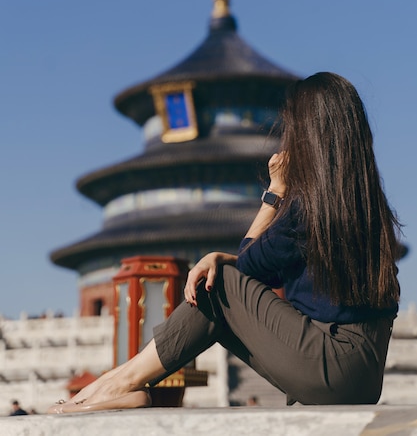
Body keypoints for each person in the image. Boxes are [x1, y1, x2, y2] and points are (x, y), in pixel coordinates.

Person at [47, 72, 401, 413]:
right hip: (363, 376)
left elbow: (246, 269)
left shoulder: (306, 212)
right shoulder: (367, 210)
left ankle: (118, 383)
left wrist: (275, 193)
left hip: (330, 365)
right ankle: (123, 383)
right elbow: (272, 276)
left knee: (218, 283)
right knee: (224, 285)